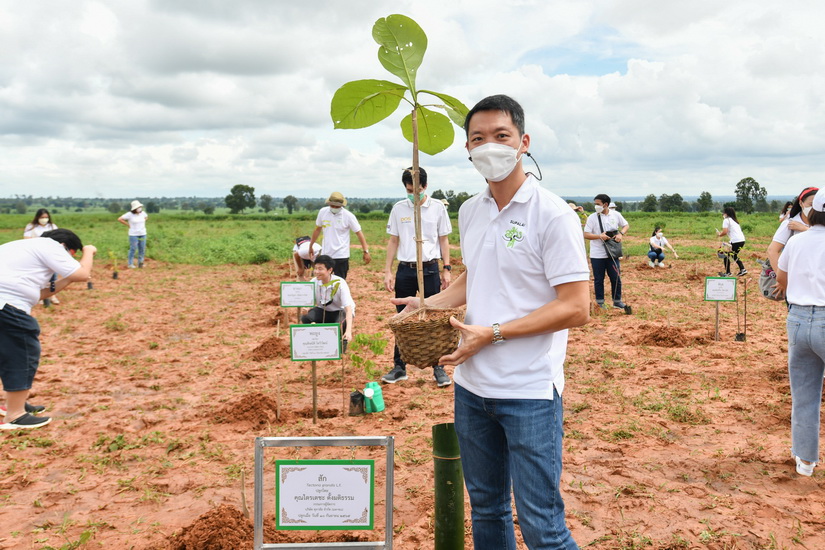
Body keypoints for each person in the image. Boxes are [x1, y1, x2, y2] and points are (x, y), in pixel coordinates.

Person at [393, 95, 589, 549]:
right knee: (487, 509)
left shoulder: (552, 214)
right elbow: (476, 275)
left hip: (528, 391)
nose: (490, 147)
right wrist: (427, 303)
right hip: (472, 389)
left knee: (542, 525)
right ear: (467, 149)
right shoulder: (469, 210)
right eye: (478, 138)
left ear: (523, 142)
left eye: (501, 136)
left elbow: (578, 306)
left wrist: (493, 333)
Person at [0, 229, 97, 430]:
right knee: (23, 352)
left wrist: (68, 278)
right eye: (71, 255)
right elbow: (83, 273)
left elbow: (40, 293)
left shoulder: (24, 248)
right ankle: (15, 415)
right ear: (65, 247)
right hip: (6, 304)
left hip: (4, 303)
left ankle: (14, 403)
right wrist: (88, 251)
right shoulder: (49, 246)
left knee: (6, 354)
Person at [381, 166, 453, 387]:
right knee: (402, 319)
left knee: (433, 318)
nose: (413, 194)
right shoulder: (399, 209)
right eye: (409, 190)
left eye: (416, 189)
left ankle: (438, 368)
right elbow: (393, 241)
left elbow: (443, 241)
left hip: (430, 268)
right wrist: (387, 270)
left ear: (425, 186)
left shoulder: (438, 208)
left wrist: (446, 268)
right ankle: (399, 367)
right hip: (406, 270)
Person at [775, 188, 825, 477]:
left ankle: (805, 463)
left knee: (804, 395)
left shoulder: (797, 242)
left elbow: (782, 279)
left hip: (797, 318)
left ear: (812, 211)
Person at [766, 187, 818, 299]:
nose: (814, 208)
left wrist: (804, 229)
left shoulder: (820, 224)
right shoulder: (789, 224)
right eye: (811, 204)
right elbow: (772, 250)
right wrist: (782, 279)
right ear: (801, 203)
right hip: (798, 281)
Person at [308, 192, 371, 279]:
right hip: (326, 254)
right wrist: (311, 245)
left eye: (337, 206)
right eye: (332, 205)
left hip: (341, 255)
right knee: (323, 279)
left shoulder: (348, 216)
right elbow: (317, 229)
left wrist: (366, 251)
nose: (334, 208)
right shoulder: (323, 212)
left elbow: (359, 233)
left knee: (340, 281)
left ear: (342, 205)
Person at [583, 194, 629, 309]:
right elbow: (586, 234)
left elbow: (625, 225)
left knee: (616, 277)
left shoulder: (616, 215)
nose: (596, 206)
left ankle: (617, 301)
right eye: (595, 204)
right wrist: (599, 236)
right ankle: (600, 303)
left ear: (606, 204)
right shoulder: (592, 218)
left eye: (597, 204)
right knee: (599, 279)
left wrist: (620, 234)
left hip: (612, 253)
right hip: (597, 254)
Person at [300, 255, 354, 343]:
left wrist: (348, 331)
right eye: (315, 268)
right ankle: (316, 342)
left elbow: (348, 309)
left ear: (330, 270)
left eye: (320, 269)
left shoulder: (340, 283)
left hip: (339, 311)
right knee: (306, 318)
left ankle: (339, 343)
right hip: (323, 310)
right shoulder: (314, 282)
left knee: (340, 324)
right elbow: (310, 303)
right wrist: (307, 308)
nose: (316, 272)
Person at [24, 209, 61, 305]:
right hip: (36, 254)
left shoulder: (52, 226)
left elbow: (58, 239)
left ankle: (52, 295)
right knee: (38, 276)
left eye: (46, 217)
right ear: (37, 217)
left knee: (52, 276)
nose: (44, 219)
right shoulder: (31, 227)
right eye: (42, 217)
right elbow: (26, 240)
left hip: (50, 254)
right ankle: (39, 296)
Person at [715, 206, 746, 277]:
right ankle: (742, 269)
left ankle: (728, 272)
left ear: (726, 213)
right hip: (741, 240)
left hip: (735, 241)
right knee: (733, 255)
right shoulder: (735, 221)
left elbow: (725, 232)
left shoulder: (726, 220)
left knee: (726, 255)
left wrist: (719, 234)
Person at [117, 200, 148, 269]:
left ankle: (140, 263)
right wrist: (128, 225)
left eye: (140, 207)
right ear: (134, 208)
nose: (140, 208)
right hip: (133, 234)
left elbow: (146, 217)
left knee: (142, 249)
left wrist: (142, 223)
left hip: (142, 233)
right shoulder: (129, 214)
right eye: (138, 207)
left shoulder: (143, 213)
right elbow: (120, 219)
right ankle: (130, 264)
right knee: (133, 248)